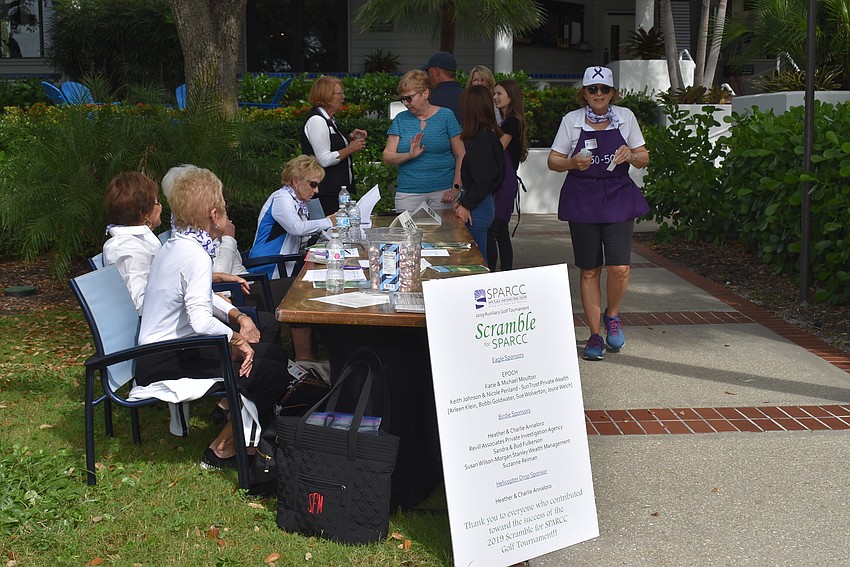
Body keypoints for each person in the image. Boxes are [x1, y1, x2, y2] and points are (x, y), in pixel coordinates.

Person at [136, 168, 289, 470]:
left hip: (165, 350)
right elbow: (200, 320)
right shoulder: (193, 253)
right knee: (272, 373)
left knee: (272, 355)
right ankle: (221, 450)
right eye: (223, 207)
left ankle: (242, 429)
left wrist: (237, 316)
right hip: (166, 357)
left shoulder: (178, 244)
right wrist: (237, 339)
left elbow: (200, 295)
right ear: (214, 214)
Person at [546, 66, 650, 361]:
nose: (599, 94)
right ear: (584, 93)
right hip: (583, 197)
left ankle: (612, 314)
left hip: (618, 194)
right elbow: (554, 161)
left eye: (604, 89)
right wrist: (571, 163)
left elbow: (644, 156)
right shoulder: (573, 121)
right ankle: (594, 334)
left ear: (612, 93)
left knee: (620, 267)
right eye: (593, 89)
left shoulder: (626, 117)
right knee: (589, 268)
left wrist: (631, 155)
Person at [249, 155, 336, 360]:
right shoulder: (281, 199)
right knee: (304, 294)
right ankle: (306, 360)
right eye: (313, 184)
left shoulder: (296, 201)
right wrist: (328, 222)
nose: (317, 191)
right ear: (296, 181)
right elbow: (296, 229)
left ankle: (314, 354)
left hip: (282, 267)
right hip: (267, 272)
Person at [383, 69, 465, 212]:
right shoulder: (400, 119)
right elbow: (387, 156)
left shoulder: (446, 116)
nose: (406, 103)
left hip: (443, 193)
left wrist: (456, 188)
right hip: (408, 193)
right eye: (403, 99)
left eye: (409, 98)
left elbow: (461, 154)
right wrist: (409, 155)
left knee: (445, 234)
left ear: (425, 94)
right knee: (407, 234)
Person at [301, 76, 368, 215]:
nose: (343, 97)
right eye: (340, 93)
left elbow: (332, 146)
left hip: (335, 193)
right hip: (325, 193)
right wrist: (351, 148)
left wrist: (348, 139)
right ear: (326, 96)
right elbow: (324, 159)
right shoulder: (317, 120)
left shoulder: (329, 119)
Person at [456, 85, 505, 263]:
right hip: (480, 202)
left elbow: (484, 180)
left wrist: (465, 204)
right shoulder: (485, 137)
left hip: (478, 205)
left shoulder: (484, 139)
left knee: (477, 261)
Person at [487, 79, 529, 272]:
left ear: (511, 97)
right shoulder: (506, 121)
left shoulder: (511, 122)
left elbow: (496, 149)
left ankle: (495, 273)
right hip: (504, 179)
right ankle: (505, 272)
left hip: (505, 182)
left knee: (493, 230)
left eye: (499, 94)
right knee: (501, 231)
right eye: (494, 94)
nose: (495, 97)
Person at [422, 51, 464, 123]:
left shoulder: (428, 98)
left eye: (429, 72)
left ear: (437, 71)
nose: (429, 76)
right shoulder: (469, 96)